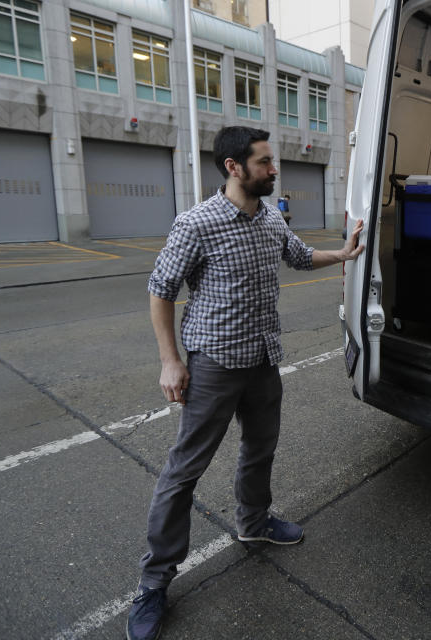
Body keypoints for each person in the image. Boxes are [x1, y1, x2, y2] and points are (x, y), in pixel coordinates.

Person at [126, 126, 364, 640]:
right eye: (263, 162)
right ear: (234, 167)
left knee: (260, 450)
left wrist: (342, 255)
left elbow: (299, 256)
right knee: (183, 471)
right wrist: (171, 361)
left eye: (271, 161)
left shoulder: (270, 219)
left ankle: (253, 523)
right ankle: (154, 582)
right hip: (213, 363)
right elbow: (160, 289)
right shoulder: (197, 223)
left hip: (262, 358)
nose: (273, 169)